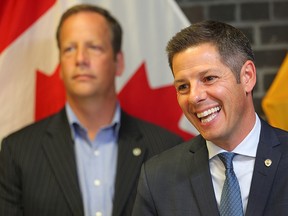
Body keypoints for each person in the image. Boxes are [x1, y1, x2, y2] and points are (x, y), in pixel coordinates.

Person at [0, 4, 183, 216]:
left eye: (94, 47)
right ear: (60, 64)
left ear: (119, 62)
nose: (80, 59)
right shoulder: (17, 151)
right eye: (69, 49)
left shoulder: (167, 149)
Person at [132, 20, 288, 216]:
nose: (194, 96)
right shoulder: (157, 177)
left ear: (247, 77)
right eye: (183, 87)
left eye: (209, 79)